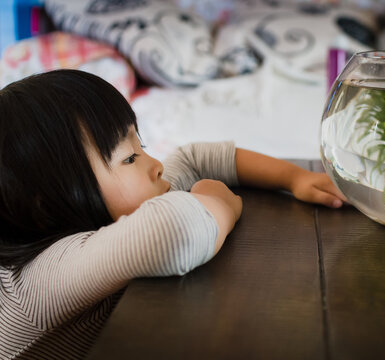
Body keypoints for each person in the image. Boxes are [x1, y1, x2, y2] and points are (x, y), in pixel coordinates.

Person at [0, 69, 345, 359]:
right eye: (129, 158)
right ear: (46, 206)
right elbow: (174, 230)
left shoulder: (114, 208)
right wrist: (221, 203)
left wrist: (294, 177)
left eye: (143, 146)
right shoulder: (39, 278)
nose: (156, 165)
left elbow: (193, 158)